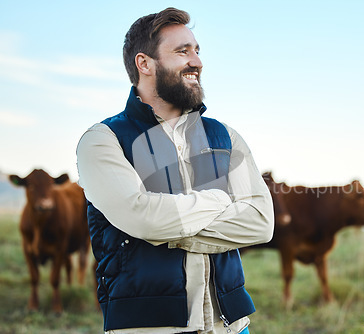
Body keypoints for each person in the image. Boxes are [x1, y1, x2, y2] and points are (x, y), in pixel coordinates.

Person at [76, 7, 274, 334]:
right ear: (145, 64)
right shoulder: (103, 140)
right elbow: (145, 219)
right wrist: (218, 201)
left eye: (196, 51)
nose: (196, 61)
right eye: (182, 51)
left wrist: (168, 231)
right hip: (149, 326)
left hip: (234, 326)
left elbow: (261, 224)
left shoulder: (225, 137)